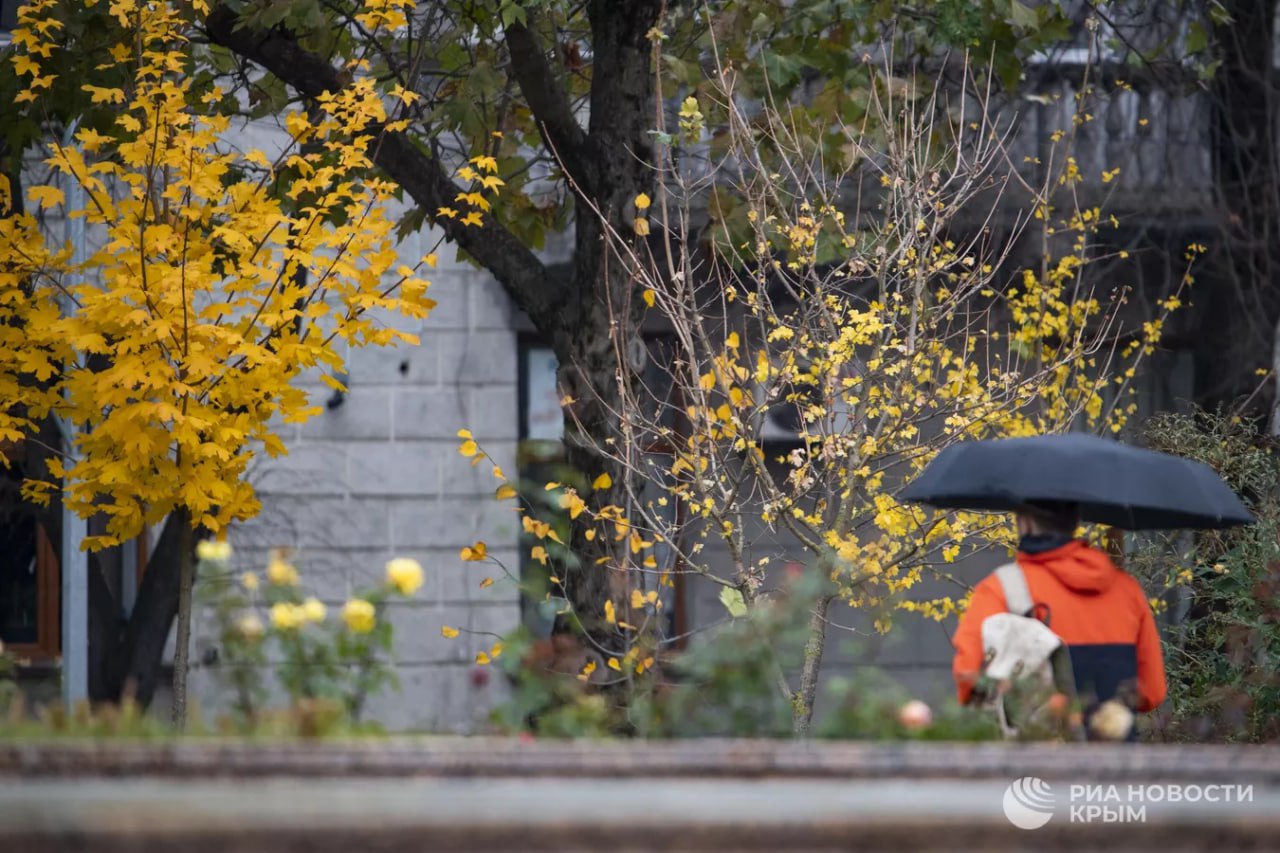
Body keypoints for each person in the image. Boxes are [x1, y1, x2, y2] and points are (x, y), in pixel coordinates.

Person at [952, 501, 1167, 734]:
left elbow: (968, 679)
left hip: (1036, 750)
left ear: (1025, 521)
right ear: (1075, 521)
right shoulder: (1127, 591)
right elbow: (1152, 693)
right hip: (1114, 748)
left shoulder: (1001, 589)